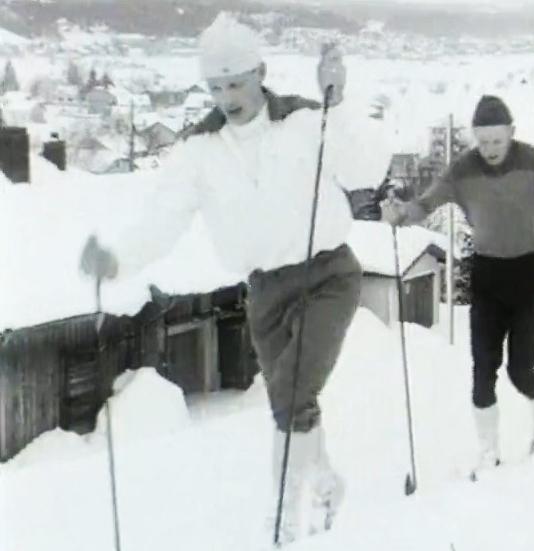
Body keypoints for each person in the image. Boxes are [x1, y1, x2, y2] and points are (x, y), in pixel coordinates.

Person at [79, 15, 391, 545]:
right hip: (263, 291)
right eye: (216, 86)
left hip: (328, 275)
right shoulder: (198, 150)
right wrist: (118, 260)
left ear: (260, 73)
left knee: (292, 392)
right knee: (291, 403)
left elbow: (366, 170)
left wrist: (337, 103)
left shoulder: (303, 120)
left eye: (235, 83)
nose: (226, 96)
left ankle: (285, 522)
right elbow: (163, 220)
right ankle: (321, 480)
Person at [381, 95, 534, 476]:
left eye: (497, 140)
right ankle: (489, 451)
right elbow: (425, 204)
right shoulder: (462, 170)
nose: (489, 149)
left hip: (528, 272)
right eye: (483, 141)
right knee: (482, 370)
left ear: (511, 133)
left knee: (521, 370)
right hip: (487, 275)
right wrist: (401, 214)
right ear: (475, 137)